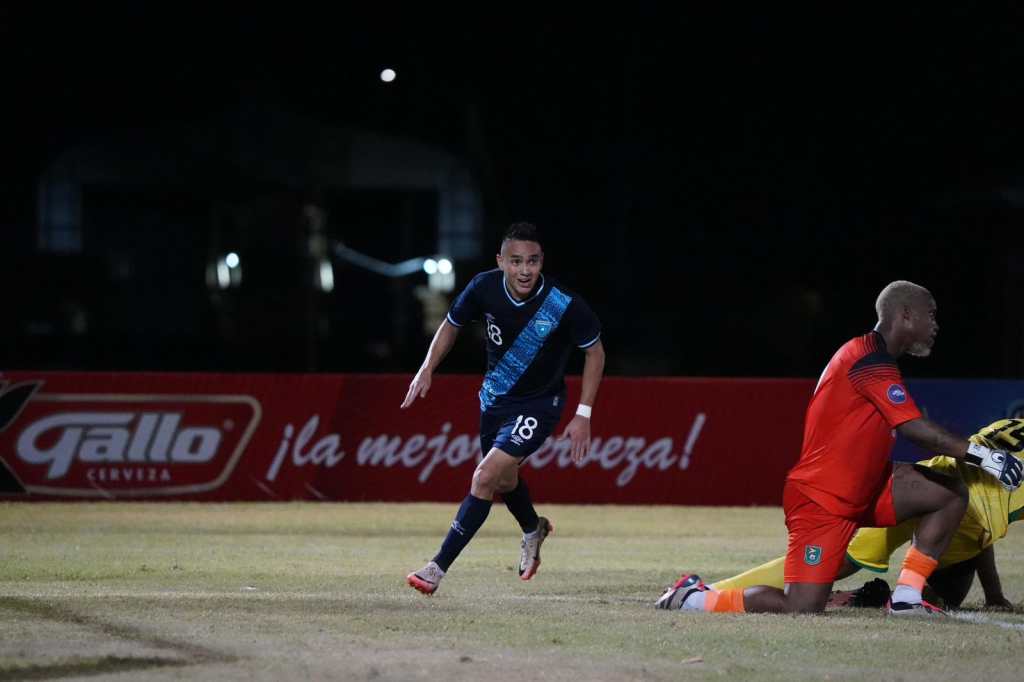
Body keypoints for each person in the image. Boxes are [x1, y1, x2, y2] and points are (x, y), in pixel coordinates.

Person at [655, 281, 1023, 615]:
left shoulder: (876, 360)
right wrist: (986, 456)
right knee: (801, 606)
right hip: (823, 499)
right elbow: (914, 428)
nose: (936, 324)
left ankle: (907, 599)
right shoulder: (867, 359)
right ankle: (695, 598)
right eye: (931, 314)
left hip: (870, 487)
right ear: (905, 314)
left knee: (950, 493)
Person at [401, 222, 605, 595]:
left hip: (541, 404)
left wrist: (583, 414)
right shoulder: (484, 287)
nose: (525, 270)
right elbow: (451, 324)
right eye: (515, 261)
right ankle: (533, 528)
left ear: (541, 261)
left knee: (483, 477)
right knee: (505, 480)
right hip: (494, 401)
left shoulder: (563, 302)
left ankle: (436, 569)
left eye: (532, 261)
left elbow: (595, 350)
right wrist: (426, 368)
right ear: (501, 262)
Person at [673, 418, 1024, 611]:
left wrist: (993, 595)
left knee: (944, 598)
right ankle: (705, 595)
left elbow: (986, 506)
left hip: (933, 485)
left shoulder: (1012, 423)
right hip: (949, 504)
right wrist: (993, 595)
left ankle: (870, 599)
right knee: (830, 564)